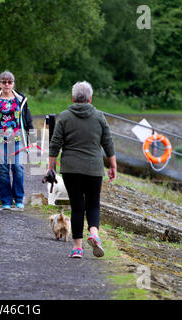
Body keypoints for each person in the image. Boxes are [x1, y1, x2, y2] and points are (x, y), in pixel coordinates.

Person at [48, 81, 117, 258]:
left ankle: (77, 248)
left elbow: (55, 144)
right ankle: (94, 233)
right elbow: (108, 142)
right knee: (93, 204)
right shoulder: (99, 117)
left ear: (73, 98)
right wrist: (113, 165)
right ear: (90, 98)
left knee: (77, 207)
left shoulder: (64, 116)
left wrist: (51, 168)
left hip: (71, 169)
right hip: (94, 168)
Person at [0, 71, 34, 210]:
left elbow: (28, 119)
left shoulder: (21, 99)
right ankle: (6, 200)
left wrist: (32, 137)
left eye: (9, 82)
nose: (6, 84)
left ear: (13, 84)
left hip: (18, 139)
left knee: (17, 168)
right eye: (4, 82)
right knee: (3, 169)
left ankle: (19, 199)